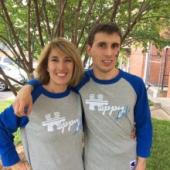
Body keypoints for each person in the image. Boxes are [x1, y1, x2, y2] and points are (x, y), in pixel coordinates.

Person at [13, 23, 152, 170]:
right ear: (89, 49)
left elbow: (144, 125)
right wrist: (28, 87)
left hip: (127, 161)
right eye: (102, 45)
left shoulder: (135, 84)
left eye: (114, 46)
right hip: (92, 163)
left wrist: (142, 161)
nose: (109, 53)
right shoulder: (79, 82)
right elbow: (53, 78)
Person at [0, 38, 84, 170]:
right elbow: (2, 126)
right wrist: (14, 162)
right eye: (55, 60)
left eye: (68, 60)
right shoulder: (31, 98)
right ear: (46, 65)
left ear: (74, 65)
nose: (61, 67)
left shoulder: (78, 95)